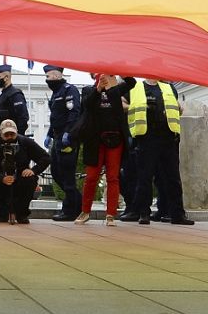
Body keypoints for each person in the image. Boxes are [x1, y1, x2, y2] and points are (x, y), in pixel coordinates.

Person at [120, 76, 194, 226]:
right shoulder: (137, 87)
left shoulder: (168, 87)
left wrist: (178, 109)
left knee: (173, 178)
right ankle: (143, 213)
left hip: (168, 136)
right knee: (144, 178)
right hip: (146, 136)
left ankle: (177, 214)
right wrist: (137, 107)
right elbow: (120, 102)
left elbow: (177, 107)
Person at [76, 73, 128, 226]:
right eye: (100, 76)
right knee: (91, 177)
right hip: (94, 141)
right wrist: (98, 89)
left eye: (107, 75)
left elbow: (131, 81)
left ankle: (111, 214)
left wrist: (118, 73)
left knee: (113, 177)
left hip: (115, 139)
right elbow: (87, 106)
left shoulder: (116, 90)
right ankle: (85, 211)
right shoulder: (88, 91)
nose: (104, 78)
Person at [0, 119, 50, 223]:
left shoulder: (26, 143)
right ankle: (2, 212)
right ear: (1, 134)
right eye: (6, 134)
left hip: (21, 178)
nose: (9, 137)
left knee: (30, 180)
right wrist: (2, 178)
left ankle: (21, 213)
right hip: (1, 180)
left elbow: (45, 157)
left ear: (16, 132)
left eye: (12, 134)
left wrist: (34, 171)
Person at [44, 65, 83, 221]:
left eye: (48, 76)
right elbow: (55, 118)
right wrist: (49, 135)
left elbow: (74, 112)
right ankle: (76, 204)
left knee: (67, 175)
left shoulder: (69, 90)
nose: (47, 80)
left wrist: (68, 132)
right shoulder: (56, 93)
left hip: (68, 138)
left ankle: (71, 210)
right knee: (56, 172)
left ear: (56, 75)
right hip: (57, 136)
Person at [0, 64, 29, 145]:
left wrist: (17, 138)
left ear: (6, 77)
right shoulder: (1, 97)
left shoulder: (15, 95)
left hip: (12, 138)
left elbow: (23, 118)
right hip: (2, 138)